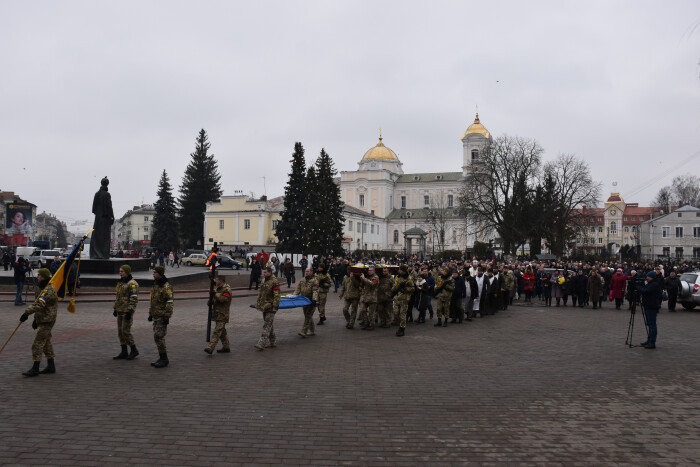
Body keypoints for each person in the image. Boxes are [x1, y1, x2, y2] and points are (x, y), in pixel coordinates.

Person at [18, 268, 57, 377]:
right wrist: (35, 319)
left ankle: (35, 368)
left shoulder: (49, 290)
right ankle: (51, 366)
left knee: (37, 344)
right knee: (46, 343)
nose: (37, 276)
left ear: (44, 276)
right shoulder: (42, 287)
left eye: (39, 275)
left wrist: (26, 313)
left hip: (47, 320)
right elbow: (40, 306)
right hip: (42, 319)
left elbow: (40, 304)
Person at [112, 265, 140, 361]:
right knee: (120, 332)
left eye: (122, 271)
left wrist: (130, 311)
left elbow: (134, 299)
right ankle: (124, 351)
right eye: (120, 271)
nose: (120, 273)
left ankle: (134, 349)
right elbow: (118, 297)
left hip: (126, 311)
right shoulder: (121, 283)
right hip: (120, 310)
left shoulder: (132, 284)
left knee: (125, 331)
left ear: (127, 272)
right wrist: (115, 308)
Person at [148, 266, 173, 368]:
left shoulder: (166, 287)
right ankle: (161, 357)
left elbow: (169, 302)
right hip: (156, 315)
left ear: (160, 274)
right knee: (157, 337)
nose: (153, 274)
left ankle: (164, 358)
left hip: (162, 316)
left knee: (159, 336)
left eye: (155, 272)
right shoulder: (156, 285)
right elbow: (153, 301)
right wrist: (150, 313)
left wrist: (166, 317)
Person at [205, 274, 233, 354]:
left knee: (217, 331)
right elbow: (216, 300)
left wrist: (214, 294)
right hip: (218, 313)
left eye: (217, 280)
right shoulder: (218, 288)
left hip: (223, 314)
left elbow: (223, 299)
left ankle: (210, 348)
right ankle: (226, 347)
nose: (215, 281)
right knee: (222, 332)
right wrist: (211, 302)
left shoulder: (227, 290)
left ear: (221, 281)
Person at [254, 267, 281, 350]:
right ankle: (272, 342)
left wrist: (275, 307)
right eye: (263, 272)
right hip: (264, 306)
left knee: (266, 325)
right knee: (269, 324)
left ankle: (261, 343)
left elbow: (277, 296)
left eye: (265, 272)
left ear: (270, 272)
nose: (264, 274)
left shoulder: (274, 281)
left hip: (271, 307)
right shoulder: (263, 280)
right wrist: (258, 304)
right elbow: (261, 293)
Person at [637, 271, 663, 349]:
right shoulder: (651, 283)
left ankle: (652, 342)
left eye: (648, 277)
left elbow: (645, 291)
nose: (646, 278)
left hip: (651, 306)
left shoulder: (654, 284)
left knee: (652, 325)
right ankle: (649, 340)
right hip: (648, 305)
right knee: (650, 324)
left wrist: (637, 287)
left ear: (651, 277)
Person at [90, 177, 114, 259]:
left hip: (98, 219)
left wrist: (98, 213)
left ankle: (95, 254)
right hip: (105, 219)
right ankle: (103, 255)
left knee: (96, 236)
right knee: (105, 238)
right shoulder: (107, 194)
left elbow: (93, 209)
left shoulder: (97, 194)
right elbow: (109, 206)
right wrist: (112, 217)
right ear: (107, 184)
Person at [294, 268, 319, 337]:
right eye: (306, 271)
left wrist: (314, 300)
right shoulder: (302, 280)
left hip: (311, 301)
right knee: (308, 316)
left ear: (311, 272)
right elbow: (298, 289)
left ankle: (303, 331)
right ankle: (312, 330)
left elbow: (315, 291)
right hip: (304, 301)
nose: (306, 272)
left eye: (308, 271)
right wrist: (293, 296)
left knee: (308, 316)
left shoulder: (315, 281)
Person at [391, 265, 415, 336]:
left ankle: (402, 328)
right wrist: (392, 292)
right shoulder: (397, 277)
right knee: (395, 313)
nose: (399, 271)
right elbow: (395, 286)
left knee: (402, 314)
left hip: (404, 299)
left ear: (404, 271)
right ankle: (399, 324)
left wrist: (405, 289)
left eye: (401, 270)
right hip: (397, 298)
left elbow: (413, 288)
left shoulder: (409, 278)